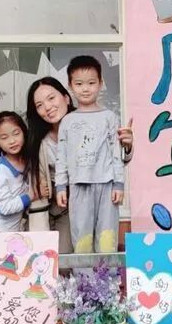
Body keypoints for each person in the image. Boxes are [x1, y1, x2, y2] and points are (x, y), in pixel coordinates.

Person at [26, 76, 134, 253]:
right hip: (52, 207)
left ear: (66, 98)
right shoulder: (40, 141)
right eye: (39, 105)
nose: (47, 107)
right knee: (59, 259)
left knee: (87, 250)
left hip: (85, 200)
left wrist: (126, 146)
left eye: (51, 98)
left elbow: (113, 160)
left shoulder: (94, 123)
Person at [54, 55, 127, 254]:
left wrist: (119, 184)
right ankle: (83, 275)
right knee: (82, 239)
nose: (85, 89)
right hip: (78, 186)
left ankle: (107, 275)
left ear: (100, 83)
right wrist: (60, 186)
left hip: (106, 185)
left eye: (91, 83)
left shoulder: (110, 117)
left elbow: (116, 153)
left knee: (107, 238)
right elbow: (61, 156)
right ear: (70, 86)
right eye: (79, 84)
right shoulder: (67, 121)